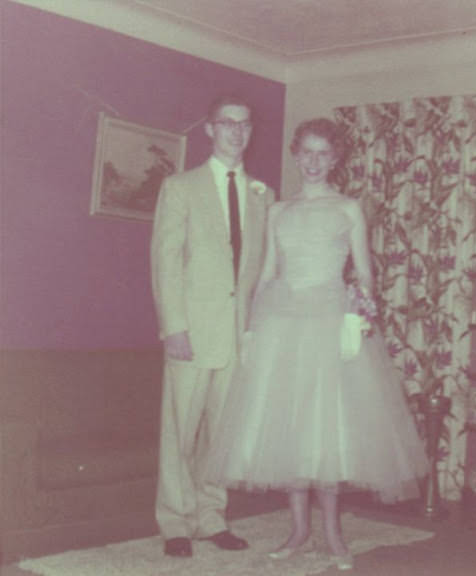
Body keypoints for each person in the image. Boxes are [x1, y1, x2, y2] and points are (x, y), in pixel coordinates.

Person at [204, 118, 427, 571]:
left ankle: (332, 536)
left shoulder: (348, 208)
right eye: (306, 151)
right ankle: (298, 532)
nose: (314, 161)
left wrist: (356, 318)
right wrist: (250, 329)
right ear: (295, 153)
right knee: (288, 431)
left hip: (329, 319)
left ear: (336, 158)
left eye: (323, 152)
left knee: (325, 431)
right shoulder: (278, 210)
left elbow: (364, 274)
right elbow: (267, 273)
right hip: (280, 323)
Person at [150, 95, 275, 558]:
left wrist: (256, 329)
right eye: (227, 123)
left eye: (245, 124)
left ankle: (211, 518)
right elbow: (165, 262)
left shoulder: (263, 194)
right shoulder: (180, 187)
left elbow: (258, 271)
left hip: (238, 334)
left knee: (221, 436)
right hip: (192, 331)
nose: (237, 132)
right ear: (209, 129)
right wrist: (174, 327)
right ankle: (175, 523)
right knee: (180, 432)